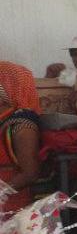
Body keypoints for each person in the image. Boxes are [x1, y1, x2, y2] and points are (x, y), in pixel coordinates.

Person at [0, 61, 41, 211]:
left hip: (9, 207)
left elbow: (30, 174)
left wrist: (2, 193)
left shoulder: (22, 125)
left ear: (8, 87)